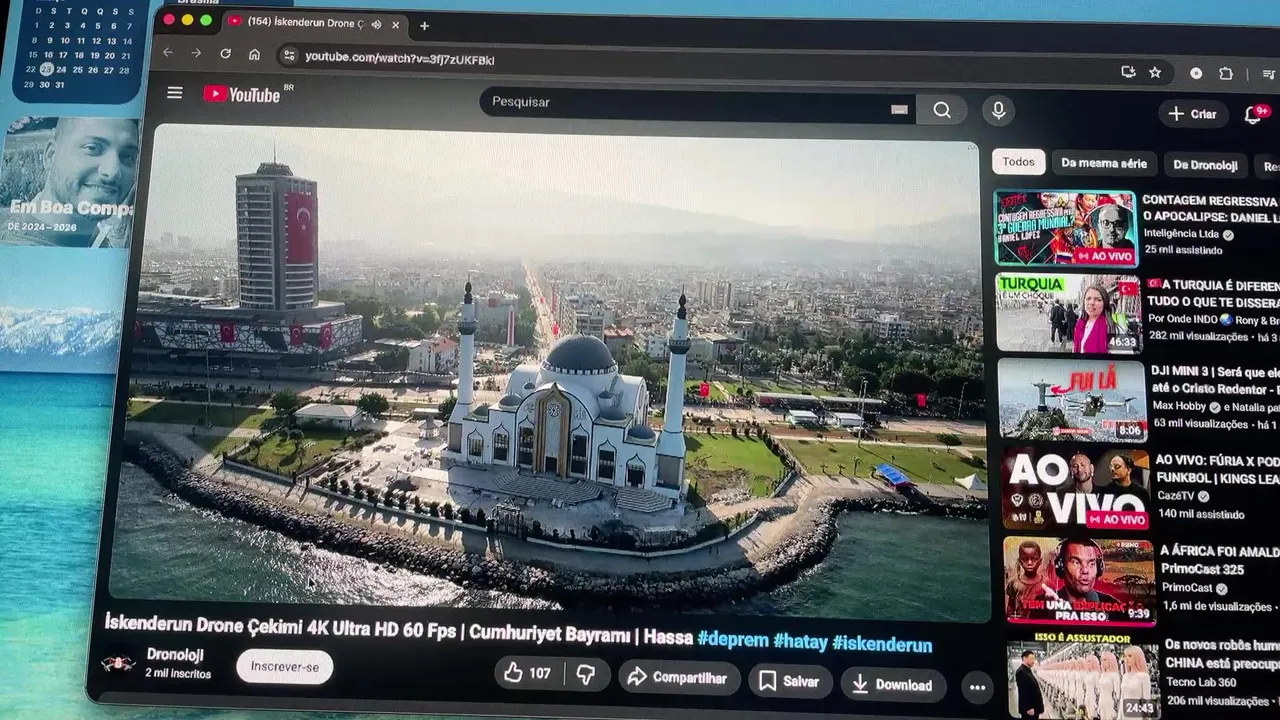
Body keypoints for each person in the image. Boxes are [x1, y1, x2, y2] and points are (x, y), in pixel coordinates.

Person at [0, 117, 139, 247]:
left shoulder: (110, 245)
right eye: (92, 148)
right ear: (51, 156)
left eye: (128, 156)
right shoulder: (12, 246)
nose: (113, 171)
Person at [1049, 538, 1120, 608]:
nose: (1085, 571)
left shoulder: (1112, 605)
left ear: (1098, 568)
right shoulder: (1048, 602)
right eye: (1076, 562)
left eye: (1091, 563)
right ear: (1061, 566)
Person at [1006, 540, 1049, 618]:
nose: (1029, 563)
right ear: (1020, 561)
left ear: (1040, 561)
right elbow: (1010, 607)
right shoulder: (1013, 582)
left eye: (1034, 559)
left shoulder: (1047, 583)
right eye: (1025, 559)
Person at [1074, 285, 1115, 354]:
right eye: (1088, 298)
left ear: (1104, 303)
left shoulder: (1111, 327)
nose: (1092, 303)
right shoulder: (1079, 324)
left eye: (1097, 299)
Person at [1119, 646, 1152, 719]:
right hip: (1124, 715)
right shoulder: (1125, 676)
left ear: (1137, 657)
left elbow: (1146, 699)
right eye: (1125, 656)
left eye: (1130, 656)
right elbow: (1122, 698)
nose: (1126, 659)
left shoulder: (1144, 676)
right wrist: (1119, 716)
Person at [1015, 650, 1045, 719]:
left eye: (1034, 659)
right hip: (1030, 711)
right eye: (1031, 658)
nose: (1033, 661)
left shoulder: (1026, 670)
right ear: (1024, 658)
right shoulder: (1021, 672)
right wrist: (1028, 708)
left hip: (1033, 710)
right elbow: (1023, 692)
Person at [1097, 651, 1121, 720]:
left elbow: (1117, 693)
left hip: (1110, 704)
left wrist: (1115, 707)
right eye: (1101, 660)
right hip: (1102, 703)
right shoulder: (1102, 675)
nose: (1102, 662)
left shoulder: (1114, 675)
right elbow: (1100, 691)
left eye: (1105, 660)